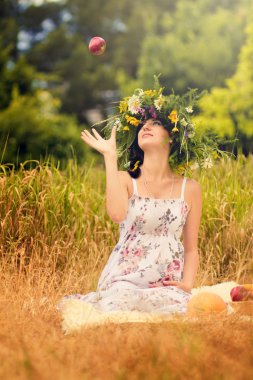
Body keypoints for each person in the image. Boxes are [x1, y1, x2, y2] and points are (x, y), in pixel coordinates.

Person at [56, 82, 233, 324]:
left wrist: (187, 284)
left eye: (156, 123)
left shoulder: (189, 189)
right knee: (118, 309)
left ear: (173, 138)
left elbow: (192, 248)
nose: (146, 126)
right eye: (143, 125)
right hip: (124, 279)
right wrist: (110, 157)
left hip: (166, 282)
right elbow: (117, 214)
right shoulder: (125, 179)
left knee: (183, 312)